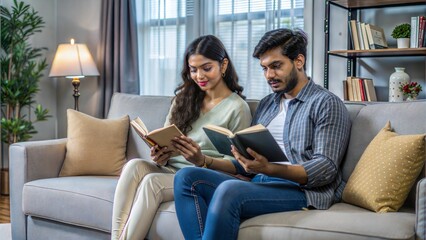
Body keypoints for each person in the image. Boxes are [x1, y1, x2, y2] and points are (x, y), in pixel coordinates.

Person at [174, 28, 351, 240]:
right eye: (264, 68)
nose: (269, 75)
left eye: (276, 66)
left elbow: (325, 168)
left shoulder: (326, 103)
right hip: (260, 182)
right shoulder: (268, 104)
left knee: (230, 191)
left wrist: (269, 168)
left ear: (299, 61)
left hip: (300, 191)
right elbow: (248, 163)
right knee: (186, 177)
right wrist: (203, 160)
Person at [111, 35, 252, 240]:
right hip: (170, 168)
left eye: (206, 68)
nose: (199, 76)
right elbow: (165, 138)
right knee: (133, 166)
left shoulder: (237, 108)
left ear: (223, 65)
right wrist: (160, 154)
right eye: (193, 70)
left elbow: (238, 163)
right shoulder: (183, 99)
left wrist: (201, 159)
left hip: (200, 176)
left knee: (152, 182)